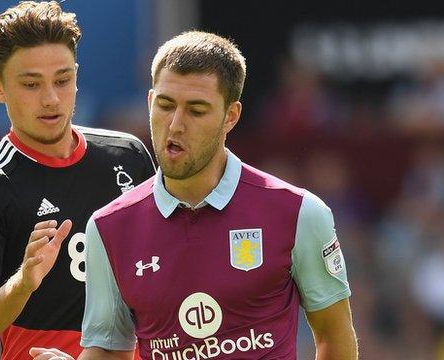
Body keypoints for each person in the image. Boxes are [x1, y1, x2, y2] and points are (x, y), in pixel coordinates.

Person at [76, 31, 358, 359]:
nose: (176, 125)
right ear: (150, 102)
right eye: (166, 106)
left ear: (231, 116)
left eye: (196, 110)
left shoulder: (300, 213)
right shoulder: (108, 228)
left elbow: (333, 336)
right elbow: (108, 350)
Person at [0, 2, 156, 359]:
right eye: (31, 84)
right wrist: (22, 284)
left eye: (63, 80)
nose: (51, 99)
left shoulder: (129, 157)